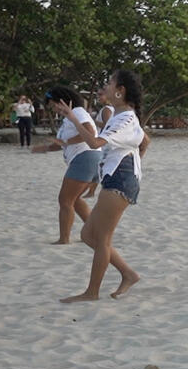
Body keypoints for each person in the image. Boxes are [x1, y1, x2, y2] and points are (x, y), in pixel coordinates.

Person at [53, 70, 149, 302]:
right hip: (117, 177)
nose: (105, 87)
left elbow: (95, 142)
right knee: (88, 235)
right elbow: (145, 141)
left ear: (120, 90)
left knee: (102, 239)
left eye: (109, 83)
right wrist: (133, 161)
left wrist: (73, 118)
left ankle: (92, 292)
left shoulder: (125, 118)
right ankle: (128, 273)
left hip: (120, 181)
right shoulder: (123, 116)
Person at [31, 86, 103, 244]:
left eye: (53, 104)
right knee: (74, 199)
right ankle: (95, 232)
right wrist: (45, 149)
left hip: (85, 158)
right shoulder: (68, 118)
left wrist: (66, 142)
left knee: (65, 200)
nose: (53, 108)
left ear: (62, 100)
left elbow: (89, 132)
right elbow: (62, 144)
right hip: (89, 158)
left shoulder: (77, 112)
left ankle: (64, 238)